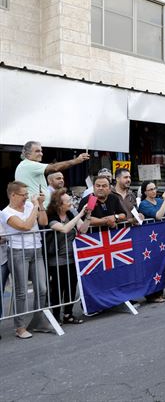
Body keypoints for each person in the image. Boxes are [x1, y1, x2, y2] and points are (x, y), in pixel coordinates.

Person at [0, 182, 50, 339]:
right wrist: (35, 206)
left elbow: (43, 222)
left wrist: (40, 205)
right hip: (17, 252)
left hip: (37, 250)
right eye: (24, 195)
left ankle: (38, 321)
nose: (27, 197)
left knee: (42, 288)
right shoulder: (6, 213)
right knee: (21, 291)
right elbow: (26, 226)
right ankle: (19, 327)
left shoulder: (30, 205)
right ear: (13, 195)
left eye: (27, 194)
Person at [46, 188, 91, 324]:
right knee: (58, 288)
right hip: (57, 258)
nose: (71, 203)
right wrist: (80, 213)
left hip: (72, 257)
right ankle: (55, 315)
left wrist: (87, 215)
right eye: (68, 201)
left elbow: (82, 229)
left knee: (71, 286)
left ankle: (68, 314)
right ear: (59, 204)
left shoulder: (71, 214)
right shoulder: (51, 216)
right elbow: (64, 229)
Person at [15, 141, 90, 208]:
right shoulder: (28, 164)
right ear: (28, 154)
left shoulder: (27, 165)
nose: (41, 154)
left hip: (38, 208)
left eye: (41, 151)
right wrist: (77, 160)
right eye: (37, 151)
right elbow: (55, 168)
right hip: (34, 208)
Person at [134, 180, 165, 303]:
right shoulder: (144, 204)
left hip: (161, 237)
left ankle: (160, 291)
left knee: (160, 264)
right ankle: (151, 295)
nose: (154, 191)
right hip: (149, 238)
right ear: (145, 192)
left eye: (154, 188)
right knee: (151, 266)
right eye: (150, 189)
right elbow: (158, 215)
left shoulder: (160, 201)